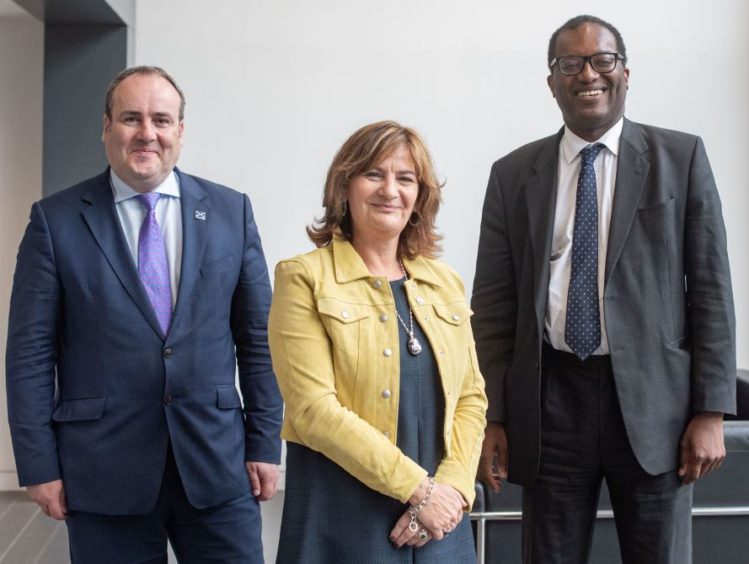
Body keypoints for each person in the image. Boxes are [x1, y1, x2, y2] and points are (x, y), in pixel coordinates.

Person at [471, 15, 736, 564]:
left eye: (602, 60)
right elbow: (494, 308)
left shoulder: (680, 159)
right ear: (552, 80)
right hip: (550, 404)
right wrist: (492, 415)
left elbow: (711, 290)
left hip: (655, 409)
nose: (587, 73)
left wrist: (712, 412)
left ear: (625, 72)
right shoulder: (513, 173)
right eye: (571, 63)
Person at [5, 66, 283, 563]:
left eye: (161, 119)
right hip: (103, 471)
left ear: (180, 131)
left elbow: (259, 341)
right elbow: (29, 354)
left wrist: (265, 442)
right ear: (107, 127)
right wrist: (37, 463)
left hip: (218, 465)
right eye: (131, 118)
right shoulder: (56, 221)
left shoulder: (230, 211)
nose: (146, 133)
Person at [269, 120, 487, 563]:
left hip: (440, 528)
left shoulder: (444, 282)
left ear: (420, 196)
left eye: (405, 178)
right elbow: (312, 410)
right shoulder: (303, 277)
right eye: (374, 174)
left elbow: (472, 397)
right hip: (343, 521)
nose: (390, 189)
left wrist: (452, 492)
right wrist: (420, 492)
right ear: (344, 186)